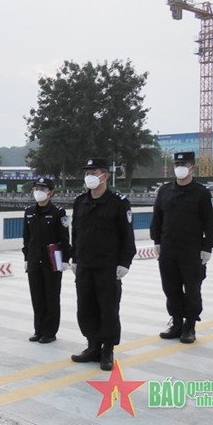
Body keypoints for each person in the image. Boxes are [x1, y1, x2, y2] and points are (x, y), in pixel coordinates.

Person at [70, 157, 136, 371]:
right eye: (87, 172)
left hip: (108, 266)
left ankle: (107, 349)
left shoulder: (118, 202)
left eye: (93, 172)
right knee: (85, 307)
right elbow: (76, 232)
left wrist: (125, 262)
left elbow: (127, 235)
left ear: (105, 176)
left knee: (108, 308)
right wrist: (75, 258)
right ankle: (92, 346)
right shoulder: (80, 201)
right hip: (85, 265)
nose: (89, 176)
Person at [150, 151, 213, 344]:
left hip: (191, 250)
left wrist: (208, 247)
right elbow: (157, 218)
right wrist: (156, 240)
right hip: (168, 249)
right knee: (170, 288)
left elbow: (209, 222)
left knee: (192, 289)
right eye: (177, 164)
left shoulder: (201, 193)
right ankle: (176, 322)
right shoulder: (164, 191)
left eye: (184, 164)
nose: (180, 167)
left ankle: (190, 325)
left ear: (191, 167)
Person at [22, 177, 70, 344]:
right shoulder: (29, 211)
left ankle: (49, 332)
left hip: (52, 261)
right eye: (37, 188)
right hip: (35, 260)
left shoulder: (58, 212)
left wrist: (65, 259)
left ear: (51, 192)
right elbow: (26, 238)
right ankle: (38, 329)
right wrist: (26, 258)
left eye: (42, 189)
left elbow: (64, 238)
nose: (38, 192)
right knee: (37, 296)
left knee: (51, 296)